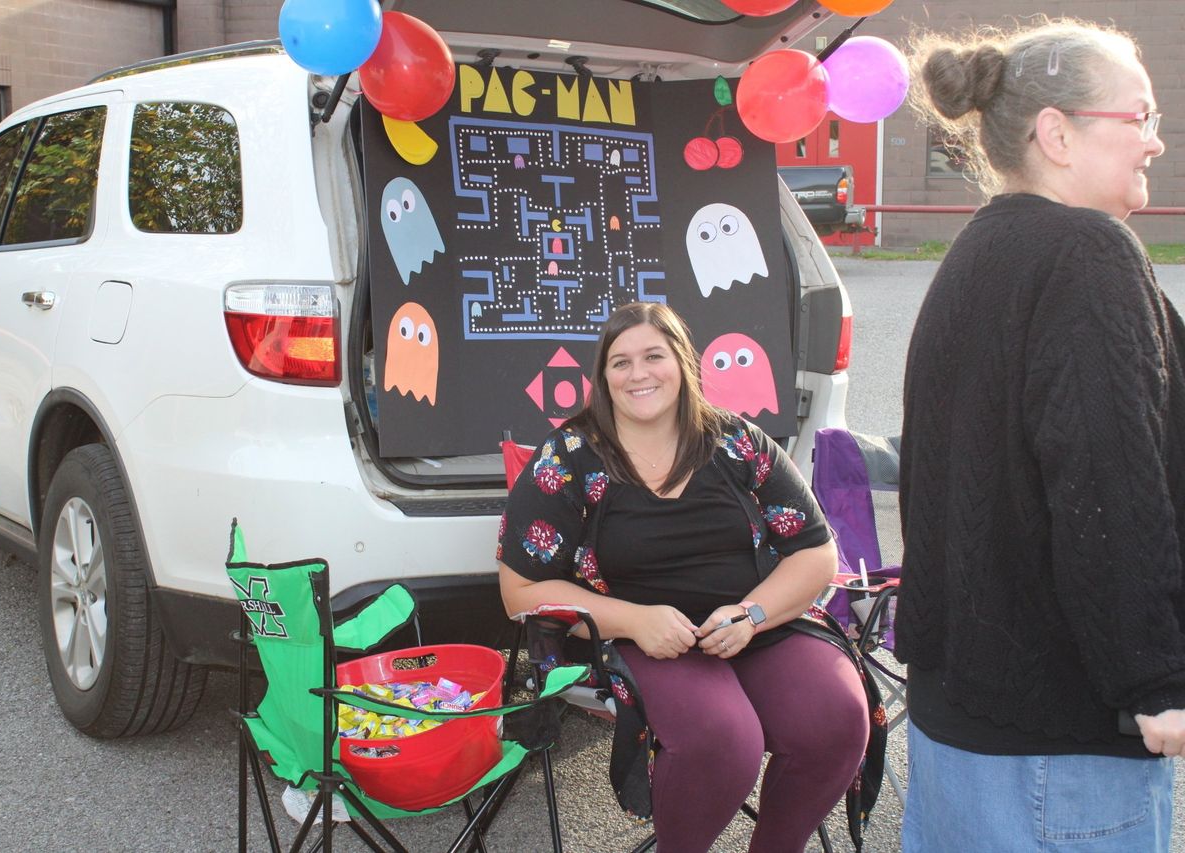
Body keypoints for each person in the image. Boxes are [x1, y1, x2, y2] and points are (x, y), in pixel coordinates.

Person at [896, 18, 1183, 851]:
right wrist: (1156, 679)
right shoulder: (1088, 253)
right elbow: (1108, 484)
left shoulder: (980, 248)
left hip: (961, 726)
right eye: (1141, 118)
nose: (1155, 143)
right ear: (1056, 133)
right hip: (1058, 746)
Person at [497, 301, 871, 853]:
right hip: (640, 638)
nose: (639, 373)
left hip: (753, 622)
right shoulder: (568, 457)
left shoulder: (737, 442)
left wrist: (753, 614)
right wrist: (635, 620)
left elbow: (815, 553)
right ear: (602, 378)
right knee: (724, 741)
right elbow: (519, 592)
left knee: (838, 717)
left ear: (683, 362)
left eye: (654, 355)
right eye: (620, 362)